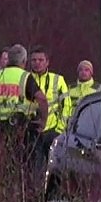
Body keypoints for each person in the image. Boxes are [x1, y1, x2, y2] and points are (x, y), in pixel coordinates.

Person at [0, 44, 48, 157]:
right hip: (22, 129)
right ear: (24, 61)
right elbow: (42, 99)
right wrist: (42, 122)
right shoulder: (25, 77)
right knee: (24, 161)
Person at [27, 46, 69, 175]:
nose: (37, 63)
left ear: (47, 62)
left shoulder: (58, 80)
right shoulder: (26, 79)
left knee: (55, 169)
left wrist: (60, 129)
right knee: (34, 169)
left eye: (40, 60)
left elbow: (66, 106)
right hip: (33, 130)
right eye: (34, 60)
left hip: (52, 131)